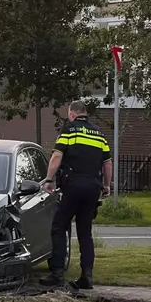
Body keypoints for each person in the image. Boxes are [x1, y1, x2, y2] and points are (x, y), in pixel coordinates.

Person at [39, 100, 113, 290]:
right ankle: (86, 276)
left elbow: (57, 156)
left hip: (72, 186)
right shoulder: (99, 133)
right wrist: (106, 185)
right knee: (85, 232)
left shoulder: (69, 130)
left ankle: (57, 274)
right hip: (92, 188)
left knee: (58, 227)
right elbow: (107, 163)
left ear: (72, 113)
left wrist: (49, 179)